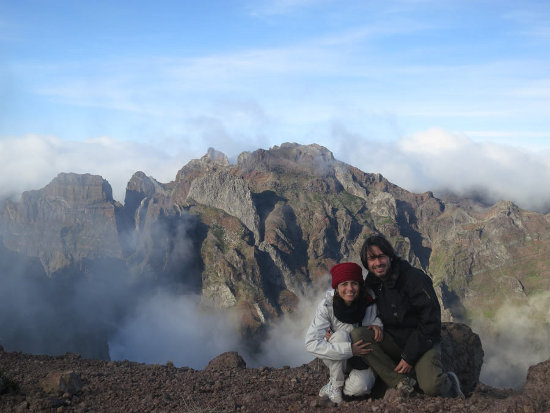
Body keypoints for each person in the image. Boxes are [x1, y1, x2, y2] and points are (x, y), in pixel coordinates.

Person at [350, 234, 464, 398]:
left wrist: (409, 357)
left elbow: (431, 322)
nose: (377, 263)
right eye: (371, 259)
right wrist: (331, 328)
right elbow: (359, 307)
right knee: (359, 335)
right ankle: (401, 381)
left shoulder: (414, 278)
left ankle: (450, 384)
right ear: (366, 263)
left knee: (432, 387)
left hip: (423, 341)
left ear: (390, 256)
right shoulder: (373, 282)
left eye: (381, 256)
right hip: (394, 339)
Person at [305, 262, 383, 404]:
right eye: (344, 284)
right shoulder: (327, 306)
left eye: (354, 283)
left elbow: (377, 318)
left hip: (364, 358)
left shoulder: (370, 302)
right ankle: (335, 385)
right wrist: (350, 350)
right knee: (341, 336)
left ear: (360, 285)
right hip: (340, 356)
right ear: (337, 287)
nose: (349, 289)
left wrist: (378, 325)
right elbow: (311, 343)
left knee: (359, 388)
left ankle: (340, 384)